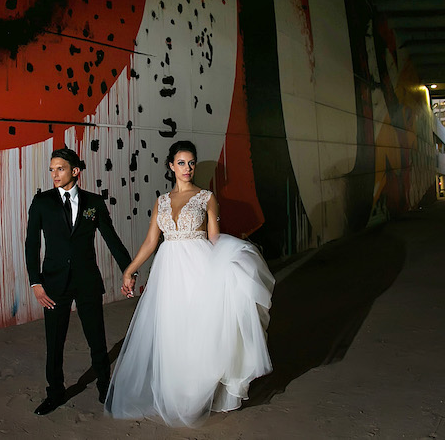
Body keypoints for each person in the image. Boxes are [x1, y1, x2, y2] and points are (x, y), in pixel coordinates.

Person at [104, 140, 275, 427]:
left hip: (199, 268)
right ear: (171, 166)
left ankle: (198, 395)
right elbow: (150, 242)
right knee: (172, 332)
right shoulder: (161, 201)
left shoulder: (206, 197)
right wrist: (129, 270)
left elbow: (214, 239)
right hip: (169, 272)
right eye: (181, 162)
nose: (187, 168)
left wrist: (234, 264)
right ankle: (178, 395)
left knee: (200, 331)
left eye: (191, 162)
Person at [25, 147, 134, 415]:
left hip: (87, 281)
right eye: (51, 169)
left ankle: (105, 386)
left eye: (60, 168)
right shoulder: (42, 202)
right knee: (55, 342)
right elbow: (31, 244)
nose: (54, 174)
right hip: (53, 285)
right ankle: (56, 392)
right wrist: (35, 283)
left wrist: (128, 270)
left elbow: (112, 239)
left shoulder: (94, 203)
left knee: (97, 338)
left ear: (75, 171)